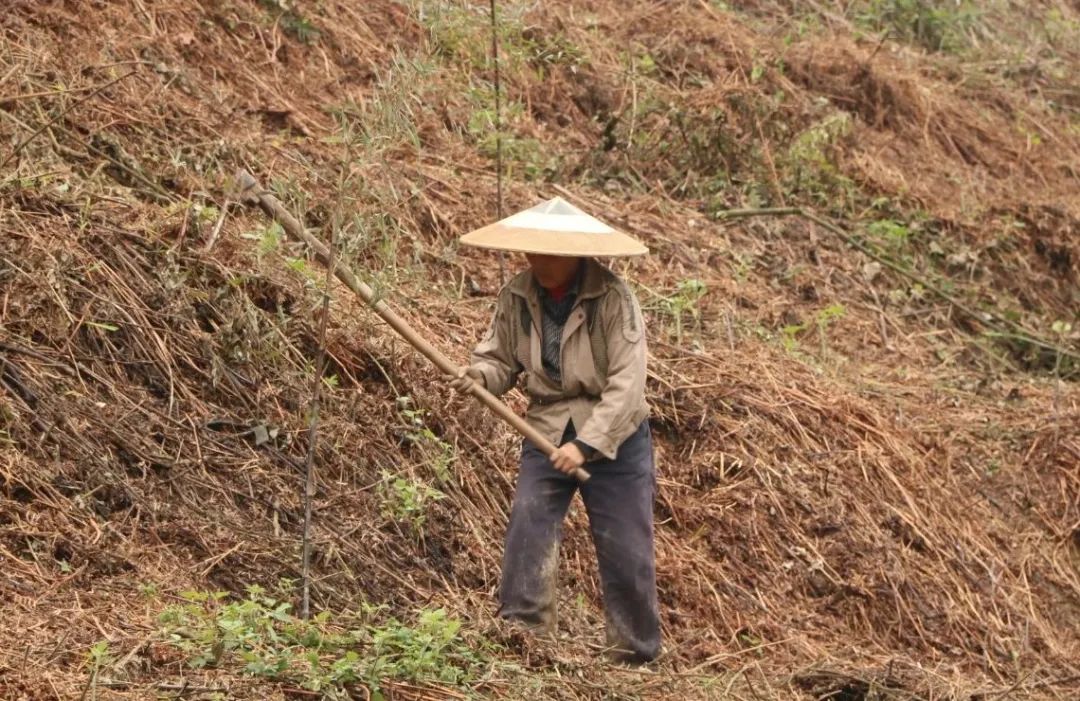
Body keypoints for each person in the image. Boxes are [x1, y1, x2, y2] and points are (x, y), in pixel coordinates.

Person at [449, 196, 660, 663]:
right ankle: (524, 635)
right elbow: (499, 357)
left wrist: (587, 445)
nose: (538, 262)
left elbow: (627, 385)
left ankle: (634, 652)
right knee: (530, 522)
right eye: (533, 252)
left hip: (616, 437)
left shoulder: (613, 299)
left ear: (576, 253)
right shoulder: (518, 295)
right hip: (546, 425)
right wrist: (480, 376)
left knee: (625, 544)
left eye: (550, 253)